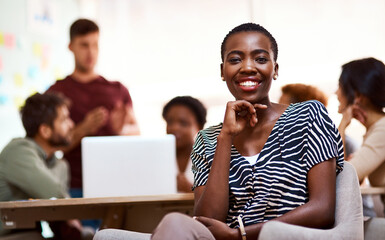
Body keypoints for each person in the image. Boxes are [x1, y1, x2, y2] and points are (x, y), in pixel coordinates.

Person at [94, 23, 344, 240]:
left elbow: (323, 208)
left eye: (260, 58)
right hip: (222, 238)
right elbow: (207, 219)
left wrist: (242, 234)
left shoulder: (308, 116)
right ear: (222, 71)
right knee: (174, 222)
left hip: (288, 237)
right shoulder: (207, 139)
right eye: (235, 59)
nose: (247, 67)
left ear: (275, 69)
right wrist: (226, 136)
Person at [46, 18, 140, 197]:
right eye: (84, 45)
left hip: (116, 182)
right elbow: (53, 146)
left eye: (95, 45)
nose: (91, 52)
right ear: (70, 46)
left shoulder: (117, 89)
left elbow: (136, 131)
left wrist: (120, 131)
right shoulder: (56, 92)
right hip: (73, 185)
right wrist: (85, 128)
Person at [0, 93, 93, 240]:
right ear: (45, 131)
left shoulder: (57, 163)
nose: (71, 124)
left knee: (90, 235)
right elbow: (53, 193)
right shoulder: (18, 151)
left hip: (32, 235)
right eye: (64, 120)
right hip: (10, 236)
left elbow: (61, 213)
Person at [336, 57, 385, 215]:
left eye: (340, 86)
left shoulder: (382, 130)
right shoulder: (375, 130)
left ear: (358, 96)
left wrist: (342, 126)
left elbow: (344, 178)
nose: (336, 93)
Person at [162, 96, 207, 193]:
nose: (174, 128)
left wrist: (190, 190)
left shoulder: (209, 158)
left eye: (183, 123)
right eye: (169, 122)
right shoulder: (159, 157)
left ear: (199, 127)